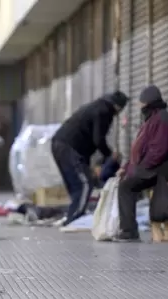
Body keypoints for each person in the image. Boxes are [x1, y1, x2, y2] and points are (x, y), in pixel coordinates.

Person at [51, 91, 129, 227]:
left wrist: (94, 164)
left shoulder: (97, 107)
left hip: (61, 145)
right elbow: (98, 139)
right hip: (68, 147)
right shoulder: (104, 111)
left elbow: (89, 140)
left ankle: (73, 215)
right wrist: (110, 155)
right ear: (118, 106)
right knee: (85, 184)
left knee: (77, 185)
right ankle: (74, 220)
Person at [114, 85, 168, 242]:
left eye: (141, 103)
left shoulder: (161, 119)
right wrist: (126, 168)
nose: (139, 106)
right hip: (149, 168)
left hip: (158, 169)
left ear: (148, 102)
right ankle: (128, 230)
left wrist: (137, 170)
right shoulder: (151, 119)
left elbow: (158, 151)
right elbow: (138, 151)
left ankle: (129, 232)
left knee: (126, 186)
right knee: (125, 182)